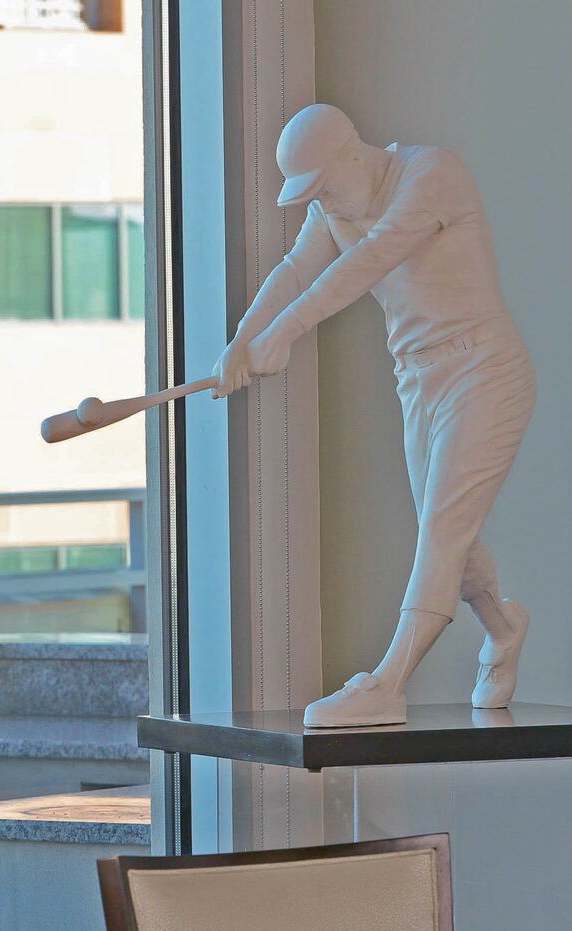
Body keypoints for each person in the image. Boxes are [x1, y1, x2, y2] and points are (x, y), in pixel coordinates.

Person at [215, 104, 536, 727]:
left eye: (323, 185)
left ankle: (386, 684)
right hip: (417, 380)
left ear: (352, 155)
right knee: (449, 534)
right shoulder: (332, 211)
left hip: (484, 370)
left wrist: (285, 333)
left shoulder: (431, 174)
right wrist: (242, 340)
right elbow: (295, 271)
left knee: (441, 529)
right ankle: (503, 626)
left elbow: (367, 264)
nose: (322, 202)